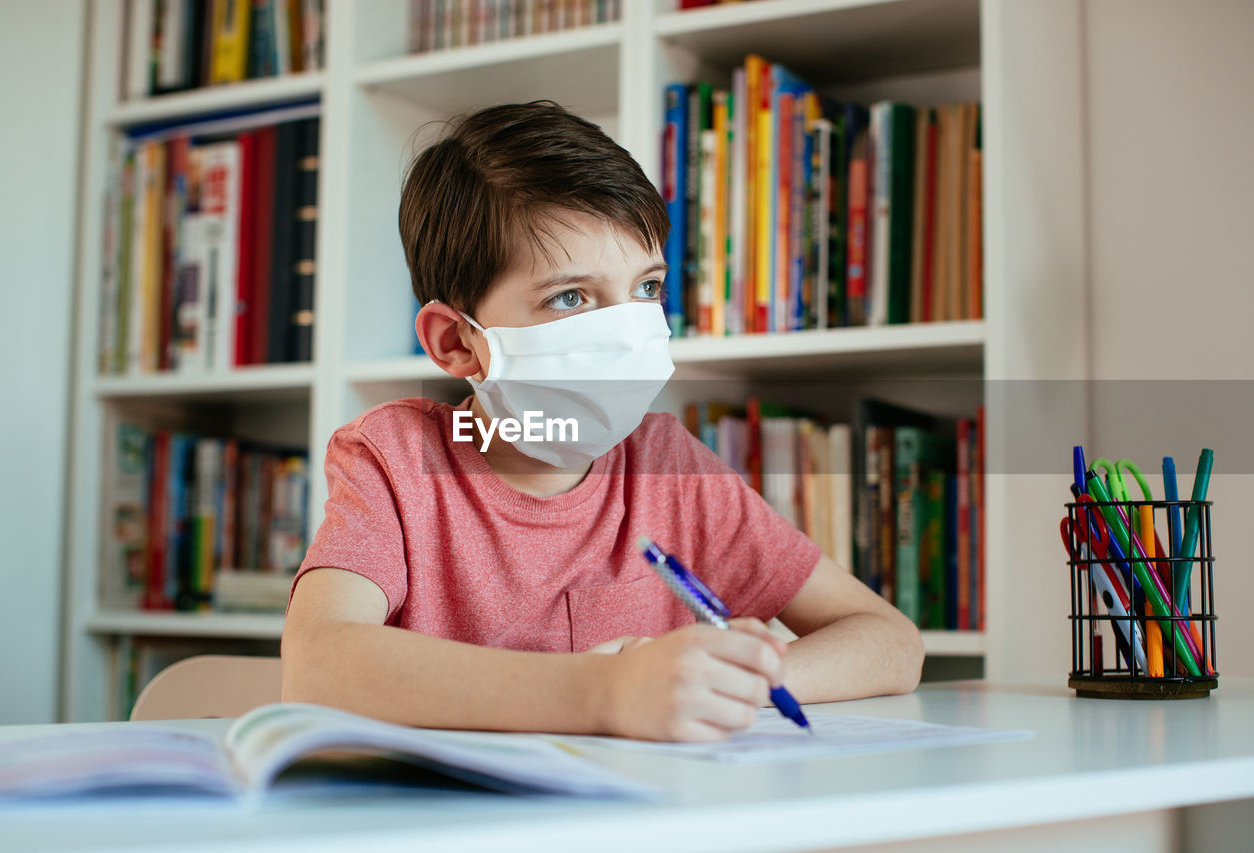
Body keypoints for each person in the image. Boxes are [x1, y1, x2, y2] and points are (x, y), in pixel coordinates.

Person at [282, 101, 923, 742]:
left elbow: (890, 642)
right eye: (571, 298)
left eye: (646, 289)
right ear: (457, 342)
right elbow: (317, 665)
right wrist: (606, 692)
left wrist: (724, 680)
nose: (625, 332)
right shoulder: (395, 458)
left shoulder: (667, 465)